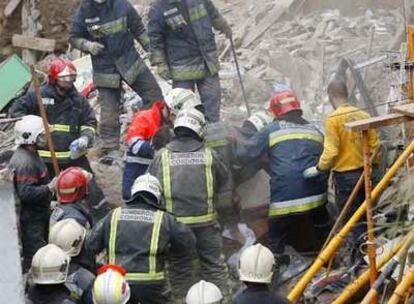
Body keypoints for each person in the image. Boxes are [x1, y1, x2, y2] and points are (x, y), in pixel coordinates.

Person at [236, 88, 329, 276]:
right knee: (322, 223)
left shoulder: (271, 129)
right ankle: (327, 257)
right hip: (318, 197)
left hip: (286, 199)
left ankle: (274, 271)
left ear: (276, 112)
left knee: (276, 236)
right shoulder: (314, 130)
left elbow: (243, 155)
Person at [9, 58, 110, 222]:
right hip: (44, 159)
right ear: (54, 78)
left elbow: (89, 122)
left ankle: (104, 224)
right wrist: (32, 125)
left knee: (92, 190)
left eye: (71, 77)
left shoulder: (79, 100)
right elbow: (16, 111)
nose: (69, 81)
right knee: (46, 197)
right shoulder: (38, 96)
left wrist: (85, 138)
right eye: (65, 77)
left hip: (73, 158)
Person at [148, 109, 232, 301]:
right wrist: (225, 215)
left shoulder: (161, 156)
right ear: (199, 129)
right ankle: (223, 299)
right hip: (207, 226)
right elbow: (225, 183)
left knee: (180, 268)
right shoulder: (210, 155)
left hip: (175, 226)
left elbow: (151, 188)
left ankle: (181, 299)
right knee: (214, 267)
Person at [69, 0, 163, 159]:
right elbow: (74, 38)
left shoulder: (122, 5)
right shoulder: (84, 11)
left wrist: (154, 54)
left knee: (155, 97)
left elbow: (139, 30)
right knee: (109, 112)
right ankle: (111, 149)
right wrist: (87, 45)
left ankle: (153, 135)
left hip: (131, 62)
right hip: (105, 69)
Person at [86, 173, 195, 303]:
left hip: (116, 285)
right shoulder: (165, 219)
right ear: (158, 196)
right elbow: (188, 243)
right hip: (152, 287)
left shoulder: (114, 215)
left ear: (134, 193)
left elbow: (91, 244)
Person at [303, 78, 379, 262]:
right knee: (368, 214)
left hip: (346, 177)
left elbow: (331, 151)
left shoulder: (333, 119)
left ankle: (359, 260)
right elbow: (375, 145)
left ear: (331, 96)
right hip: (367, 174)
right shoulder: (362, 114)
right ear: (347, 94)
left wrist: (319, 168)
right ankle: (374, 255)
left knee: (352, 220)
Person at [148, 0, 232, 122]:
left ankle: (212, 134)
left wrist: (224, 26)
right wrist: (160, 63)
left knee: (212, 106)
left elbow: (213, 13)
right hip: (183, 68)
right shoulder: (159, 7)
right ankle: (188, 137)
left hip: (206, 61)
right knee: (184, 110)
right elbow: (155, 39)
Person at [8, 115, 55, 272]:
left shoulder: (30, 155)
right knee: (36, 257)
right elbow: (26, 193)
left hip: (38, 215)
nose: (46, 138)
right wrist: (49, 188)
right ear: (31, 137)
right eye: (42, 135)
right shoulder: (26, 162)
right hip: (32, 220)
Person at [122, 99, 174, 200]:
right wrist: (154, 145)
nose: (173, 118)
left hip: (158, 171)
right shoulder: (144, 117)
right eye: (173, 115)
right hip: (137, 169)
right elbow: (134, 144)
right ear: (167, 107)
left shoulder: (171, 124)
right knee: (132, 198)